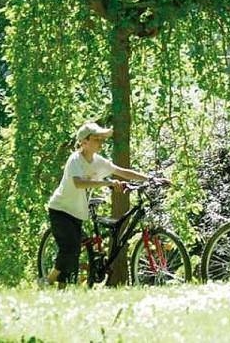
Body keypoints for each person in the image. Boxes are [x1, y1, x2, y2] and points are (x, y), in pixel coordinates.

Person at [41, 122, 153, 289]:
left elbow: (122, 172)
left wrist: (150, 179)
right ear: (84, 142)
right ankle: (46, 281)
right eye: (96, 139)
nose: (101, 142)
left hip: (77, 213)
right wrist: (106, 183)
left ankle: (60, 289)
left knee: (75, 250)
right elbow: (78, 183)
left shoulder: (97, 161)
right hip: (60, 209)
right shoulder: (75, 160)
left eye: (102, 139)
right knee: (70, 248)